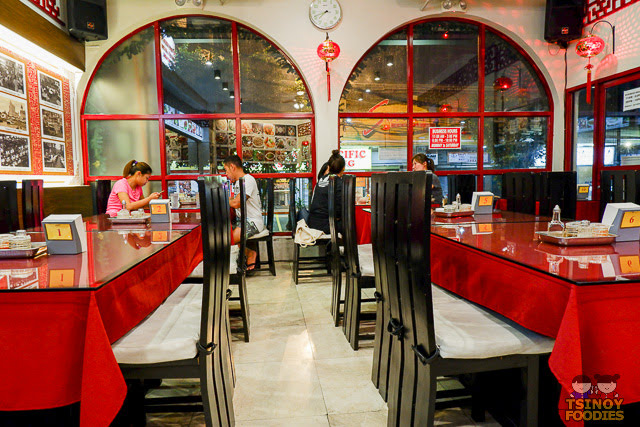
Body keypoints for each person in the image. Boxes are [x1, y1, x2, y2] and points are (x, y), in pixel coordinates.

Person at [223, 155, 264, 269]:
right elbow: (233, 200)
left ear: (232, 167)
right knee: (220, 234)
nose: (226, 174)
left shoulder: (248, 180)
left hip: (253, 221)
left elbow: (237, 203)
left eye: (226, 170)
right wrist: (229, 199)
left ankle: (250, 253)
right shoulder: (238, 182)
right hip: (242, 221)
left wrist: (223, 199)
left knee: (227, 239)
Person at [308, 150, 345, 234]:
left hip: (312, 223)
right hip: (326, 226)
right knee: (350, 224)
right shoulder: (339, 182)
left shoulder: (321, 179)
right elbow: (339, 211)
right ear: (343, 168)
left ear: (329, 167)